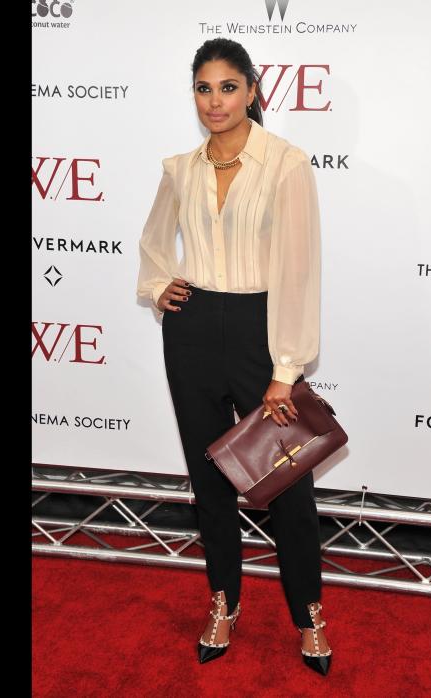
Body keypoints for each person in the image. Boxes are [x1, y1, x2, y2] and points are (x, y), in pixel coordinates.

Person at [136, 38, 331, 676]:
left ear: (252, 90)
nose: (214, 101)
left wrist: (285, 368)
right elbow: (153, 240)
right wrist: (157, 284)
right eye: (202, 88)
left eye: (227, 87)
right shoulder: (179, 167)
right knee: (208, 477)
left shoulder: (285, 163)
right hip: (191, 328)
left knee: (286, 485)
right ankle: (223, 600)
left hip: (258, 330)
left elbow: (299, 270)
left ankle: (308, 614)